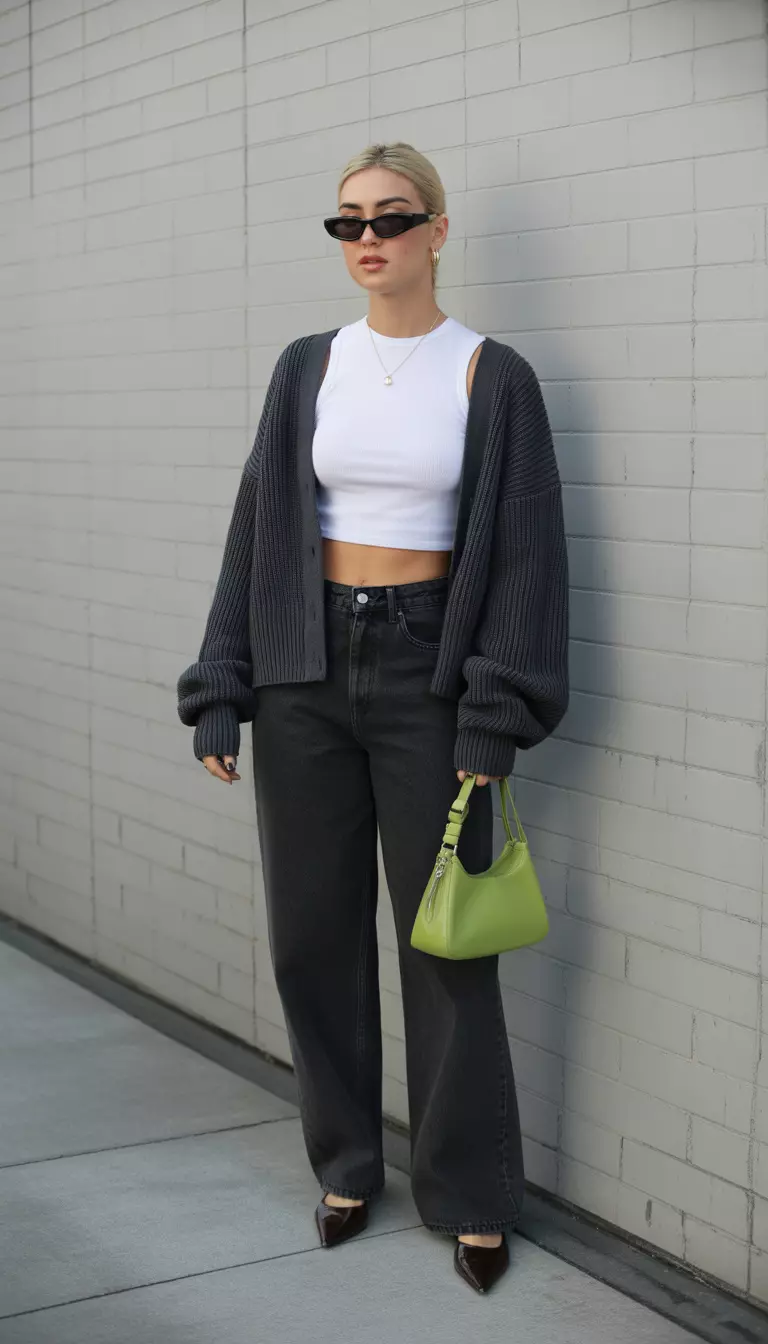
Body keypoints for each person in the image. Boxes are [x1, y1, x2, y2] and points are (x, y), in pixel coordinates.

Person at [177, 142, 569, 1295]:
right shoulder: (308, 366)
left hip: (426, 678)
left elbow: (530, 562)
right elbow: (258, 528)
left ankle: (469, 1193)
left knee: (446, 943)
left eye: (392, 219)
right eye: (347, 222)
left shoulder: (492, 377)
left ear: (438, 231)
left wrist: (493, 721)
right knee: (312, 937)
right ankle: (348, 1161)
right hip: (304, 670)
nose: (368, 240)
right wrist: (223, 683)